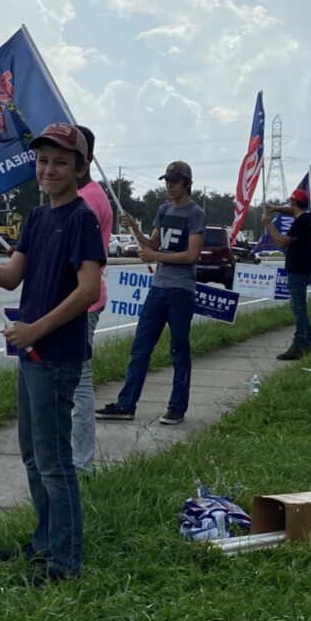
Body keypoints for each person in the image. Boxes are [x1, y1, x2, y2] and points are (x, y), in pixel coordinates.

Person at [0, 123, 105, 583]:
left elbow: (89, 290)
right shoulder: (36, 218)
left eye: (60, 162)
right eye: (42, 160)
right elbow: (13, 277)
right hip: (30, 354)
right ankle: (45, 543)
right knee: (33, 456)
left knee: (56, 464)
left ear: (80, 168)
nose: (49, 169)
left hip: (57, 355)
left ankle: (65, 564)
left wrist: (36, 330)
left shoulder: (82, 219)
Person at [95, 160, 205, 425]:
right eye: (167, 181)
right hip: (158, 288)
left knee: (179, 349)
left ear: (187, 184)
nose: (169, 186)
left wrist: (157, 256)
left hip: (181, 290)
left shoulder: (196, 213)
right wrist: (134, 227)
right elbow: (151, 244)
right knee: (140, 347)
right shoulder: (163, 210)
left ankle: (177, 406)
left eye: (174, 181)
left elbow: (193, 255)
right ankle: (126, 404)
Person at [72, 125, 113, 474]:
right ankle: (76, 460)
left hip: (81, 301)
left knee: (79, 381)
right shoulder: (93, 194)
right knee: (74, 379)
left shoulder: (87, 201)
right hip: (85, 298)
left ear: (85, 161)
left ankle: (81, 463)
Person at [262, 188, 311, 360]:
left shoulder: (299, 223)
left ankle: (299, 345)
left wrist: (269, 224)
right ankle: (308, 344)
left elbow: (282, 242)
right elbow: (293, 210)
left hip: (297, 270)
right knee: (298, 307)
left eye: (290, 203)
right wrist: (276, 208)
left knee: (299, 309)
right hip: (306, 268)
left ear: (293, 202)